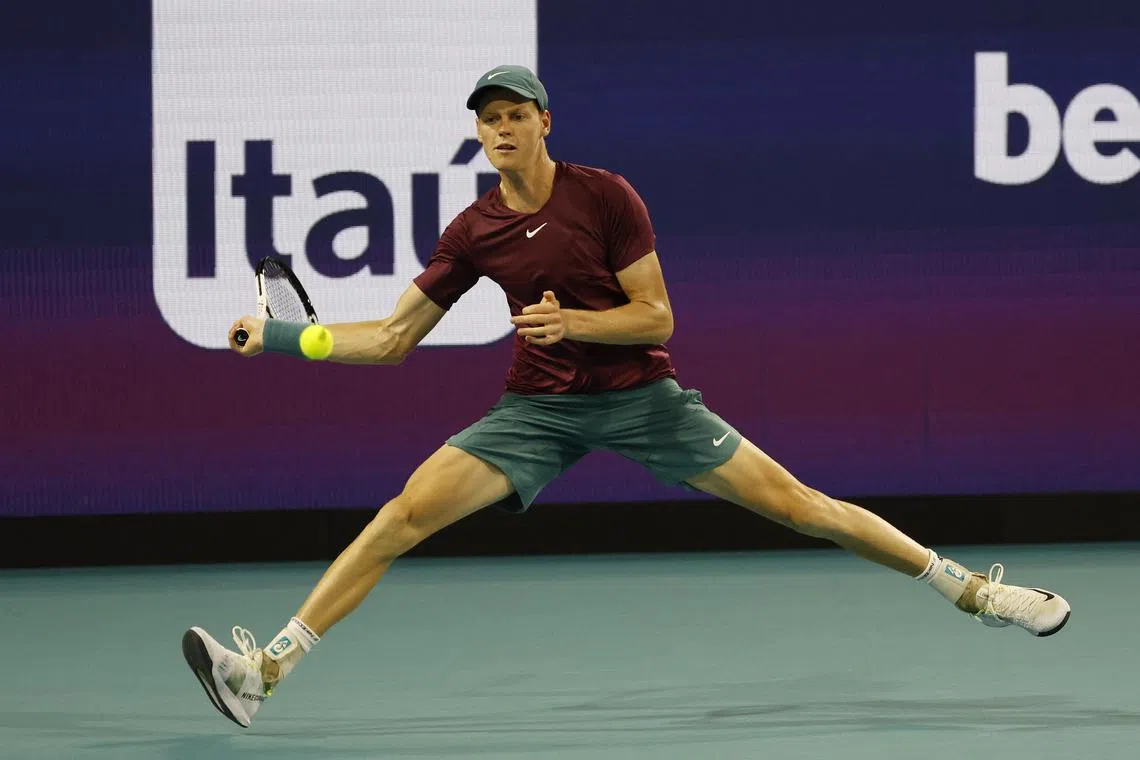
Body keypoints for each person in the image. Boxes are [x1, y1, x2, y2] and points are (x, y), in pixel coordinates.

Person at [182, 65, 1071, 729]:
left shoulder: (605, 196)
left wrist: (574, 324)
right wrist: (286, 337)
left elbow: (657, 316)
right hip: (537, 411)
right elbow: (391, 340)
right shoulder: (474, 229)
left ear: (542, 123)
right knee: (402, 515)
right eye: (487, 121)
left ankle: (973, 594)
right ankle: (266, 671)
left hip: (644, 397)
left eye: (513, 116)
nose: (499, 130)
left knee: (803, 507)